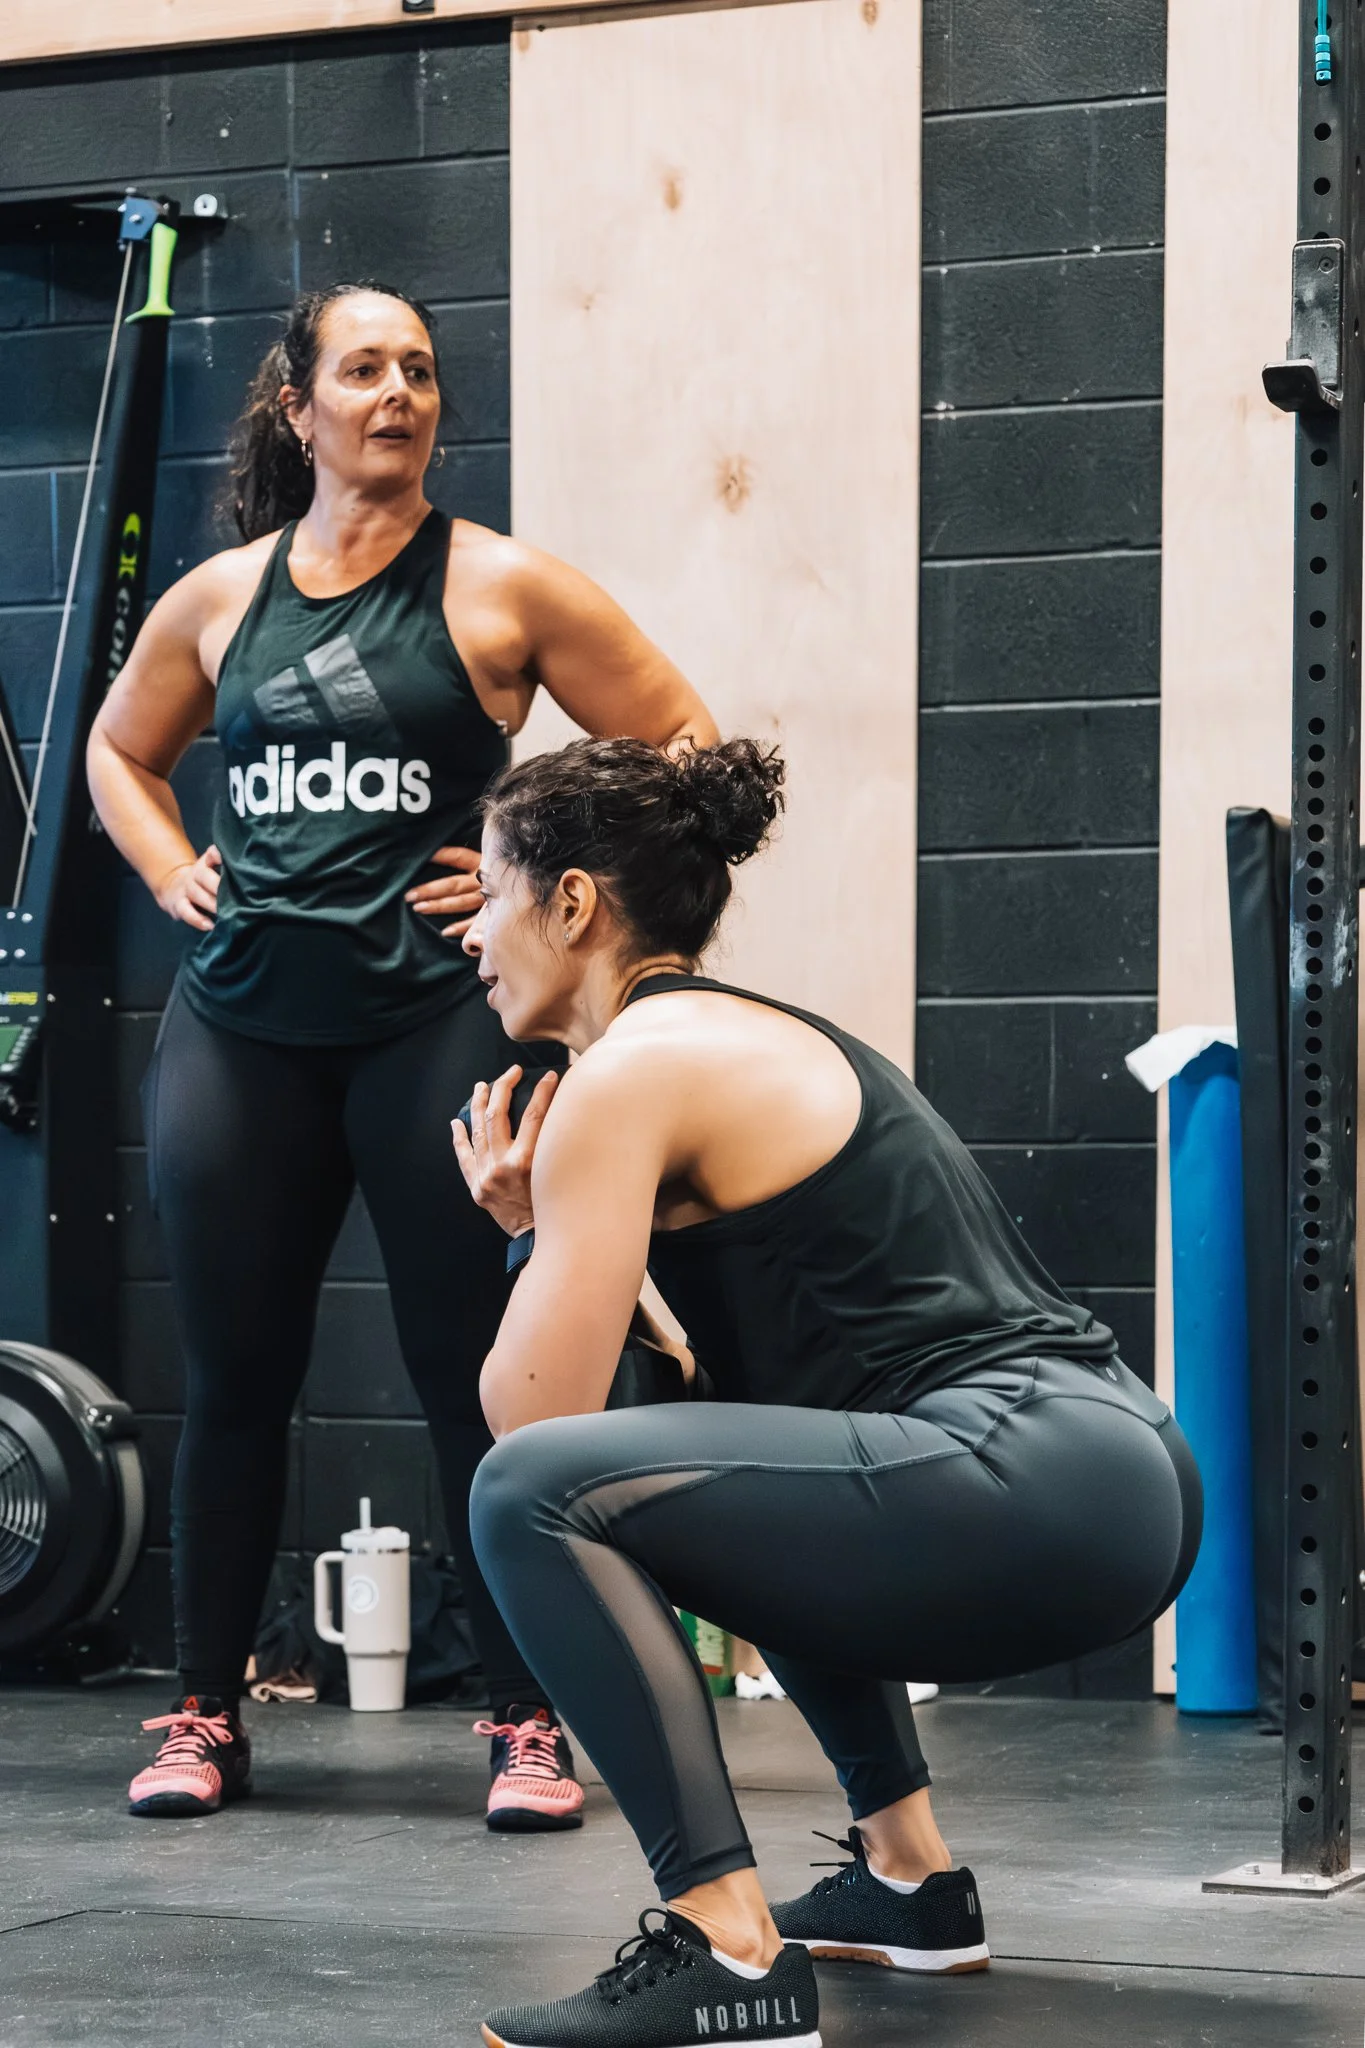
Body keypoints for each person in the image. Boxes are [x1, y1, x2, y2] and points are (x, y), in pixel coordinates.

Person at [451, 736, 1203, 2048]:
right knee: (744, 1468)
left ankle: (726, 1946)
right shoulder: (736, 1035)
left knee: (524, 1494)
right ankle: (911, 1880)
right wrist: (563, 1232)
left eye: (492, 895)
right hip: (1111, 1473)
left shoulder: (626, 1072)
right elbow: (690, 1394)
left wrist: (528, 1234)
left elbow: (533, 1423)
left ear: (573, 903)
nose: (472, 937)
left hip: (1034, 1473)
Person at [86, 281, 717, 1831]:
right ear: (297, 407)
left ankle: (522, 1724)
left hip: (436, 1033)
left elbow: (686, 745)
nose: (399, 394)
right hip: (241, 1035)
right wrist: (174, 868)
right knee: (236, 1382)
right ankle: (201, 1717)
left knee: (473, 1382)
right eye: (364, 370)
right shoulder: (223, 597)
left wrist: (524, 847)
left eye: (421, 372)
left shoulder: (503, 588)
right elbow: (119, 749)